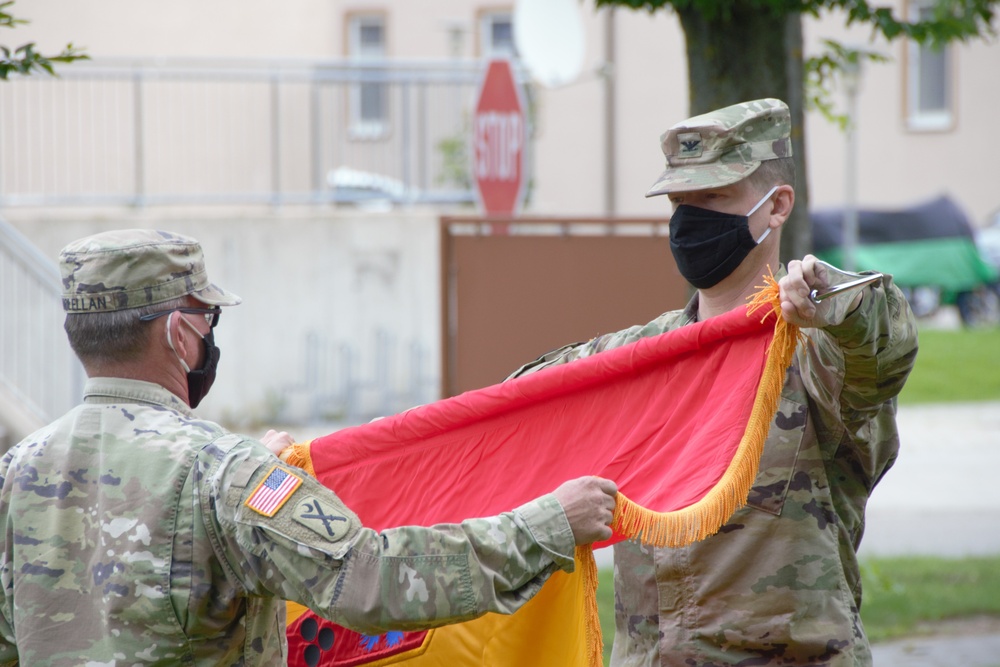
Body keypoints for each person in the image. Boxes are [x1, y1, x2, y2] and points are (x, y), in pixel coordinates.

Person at [0, 229, 618, 665]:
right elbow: (373, 579)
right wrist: (545, 527)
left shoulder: (14, 473)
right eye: (207, 319)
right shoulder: (225, 475)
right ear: (177, 330)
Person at [508, 99, 919, 666]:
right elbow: (504, 416)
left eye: (714, 199)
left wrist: (838, 301)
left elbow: (884, 349)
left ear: (776, 207)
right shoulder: (637, 361)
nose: (690, 220)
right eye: (681, 203)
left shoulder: (817, 355)